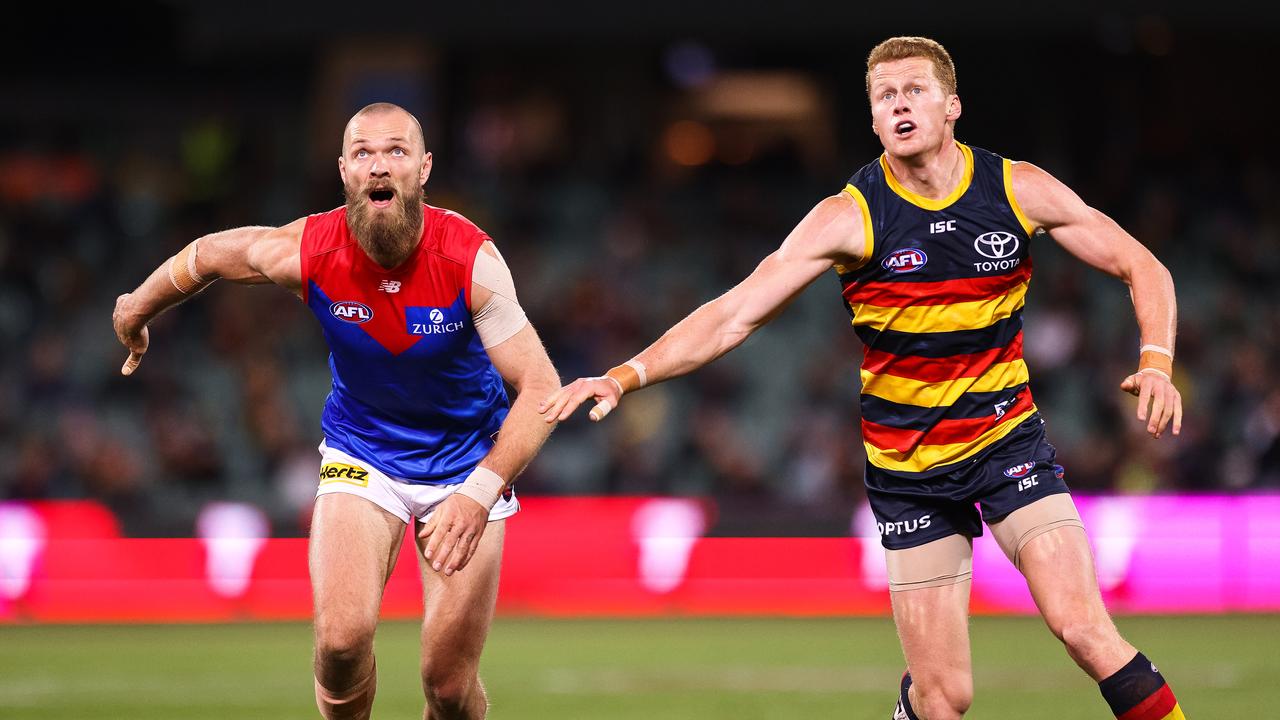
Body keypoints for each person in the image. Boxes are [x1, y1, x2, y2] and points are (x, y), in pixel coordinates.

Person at [540, 36, 1187, 720]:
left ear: (952, 106)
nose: (900, 104)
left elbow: (1144, 266)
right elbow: (733, 314)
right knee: (944, 700)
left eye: (915, 90)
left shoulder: (1015, 188)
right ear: (875, 120)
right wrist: (627, 374)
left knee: (1087, 633)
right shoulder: (849, 214)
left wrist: (1156, 361)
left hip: (1008, 449)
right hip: (908, 472)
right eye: (885, 96)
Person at [113, 102, 560, 720]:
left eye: (397, 151)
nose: (380, 164)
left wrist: (480, 491)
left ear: (424, 169)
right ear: (345, 171)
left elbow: (540, 388)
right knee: (341, 643)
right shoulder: (309, 249)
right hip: (363, 453)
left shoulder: (469, 261)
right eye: (364, 152)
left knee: (450, 689)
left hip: (467, 466)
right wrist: (136, 307)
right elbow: (211, 254)